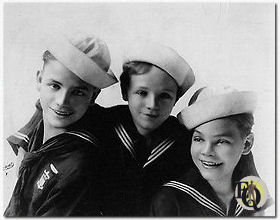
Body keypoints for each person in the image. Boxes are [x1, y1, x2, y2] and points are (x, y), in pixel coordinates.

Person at [6, 38, 196, 216]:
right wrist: (24, 145)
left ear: (176, 100)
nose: (152, 105)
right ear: (124, 91)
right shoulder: (104, 120)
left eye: (164, 96)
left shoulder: (183, 140)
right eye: (141, 92)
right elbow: (51, 109)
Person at [4, 32, 118, 216]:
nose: (62, 101)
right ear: (39, 80)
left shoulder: (77, 168)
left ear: (93, 97)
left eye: (78, 92)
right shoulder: (38, 124)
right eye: (55, 86)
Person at [150, 86, 272, 216]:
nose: (206, 151)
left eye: (221, 141)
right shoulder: (170, 199)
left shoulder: (251, 190)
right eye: (198, 139)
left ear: (247, 144)